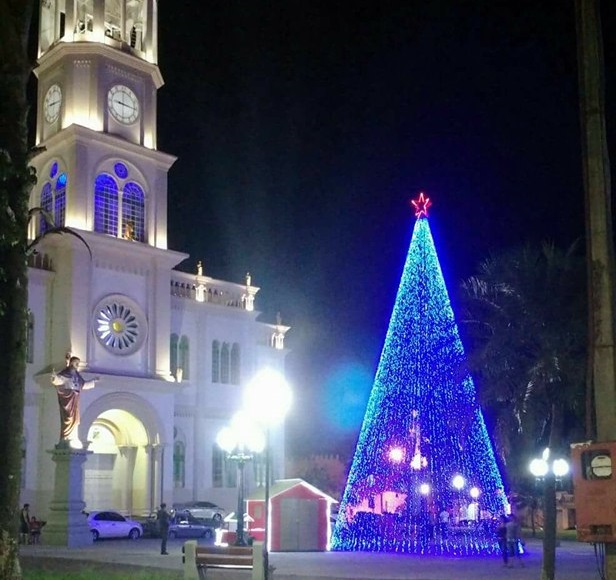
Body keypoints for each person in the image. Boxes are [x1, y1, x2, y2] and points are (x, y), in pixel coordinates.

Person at [51, 355, 99, 443]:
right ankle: (67, 437)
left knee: (75, 419)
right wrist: (54, 378)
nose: (77, 365)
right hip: (68, 400)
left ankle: (73, 437)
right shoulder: (65, 373)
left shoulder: (77, 376)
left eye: (78, 363)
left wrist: (93, 381)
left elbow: (83, 385)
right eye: (76, 363)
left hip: (75, 401)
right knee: (68, 417)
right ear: (72, 363)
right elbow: (59, 380)